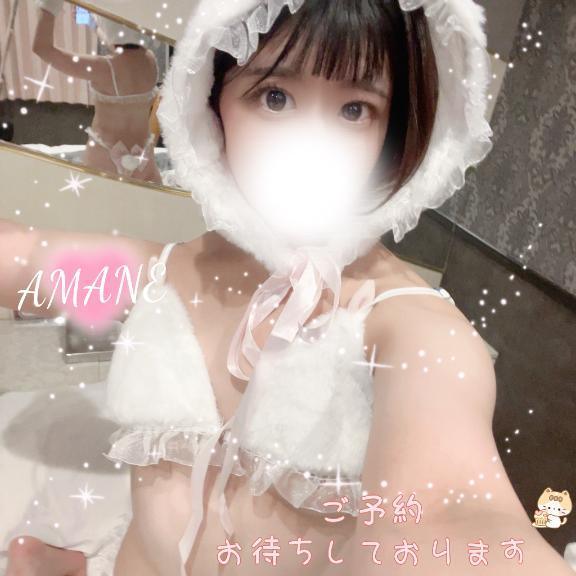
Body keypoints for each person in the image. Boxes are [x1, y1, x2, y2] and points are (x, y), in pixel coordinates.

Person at [1, 0, 573, 575]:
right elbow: (22, 257)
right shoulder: (165, 271)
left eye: (355, 109)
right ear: (211, 103)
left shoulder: (406, 326)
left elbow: (451, 514)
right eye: (275, 97)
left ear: (393, 134)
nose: (311, 146)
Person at [32, 0, 163, 184]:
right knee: (149, 201)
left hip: (104, 157)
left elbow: (42, 48)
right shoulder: (150, 61)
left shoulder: (102, 68)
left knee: (96, 199)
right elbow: (124, 43)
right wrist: (93, 25)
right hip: (143, 157)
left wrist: (49, 7)